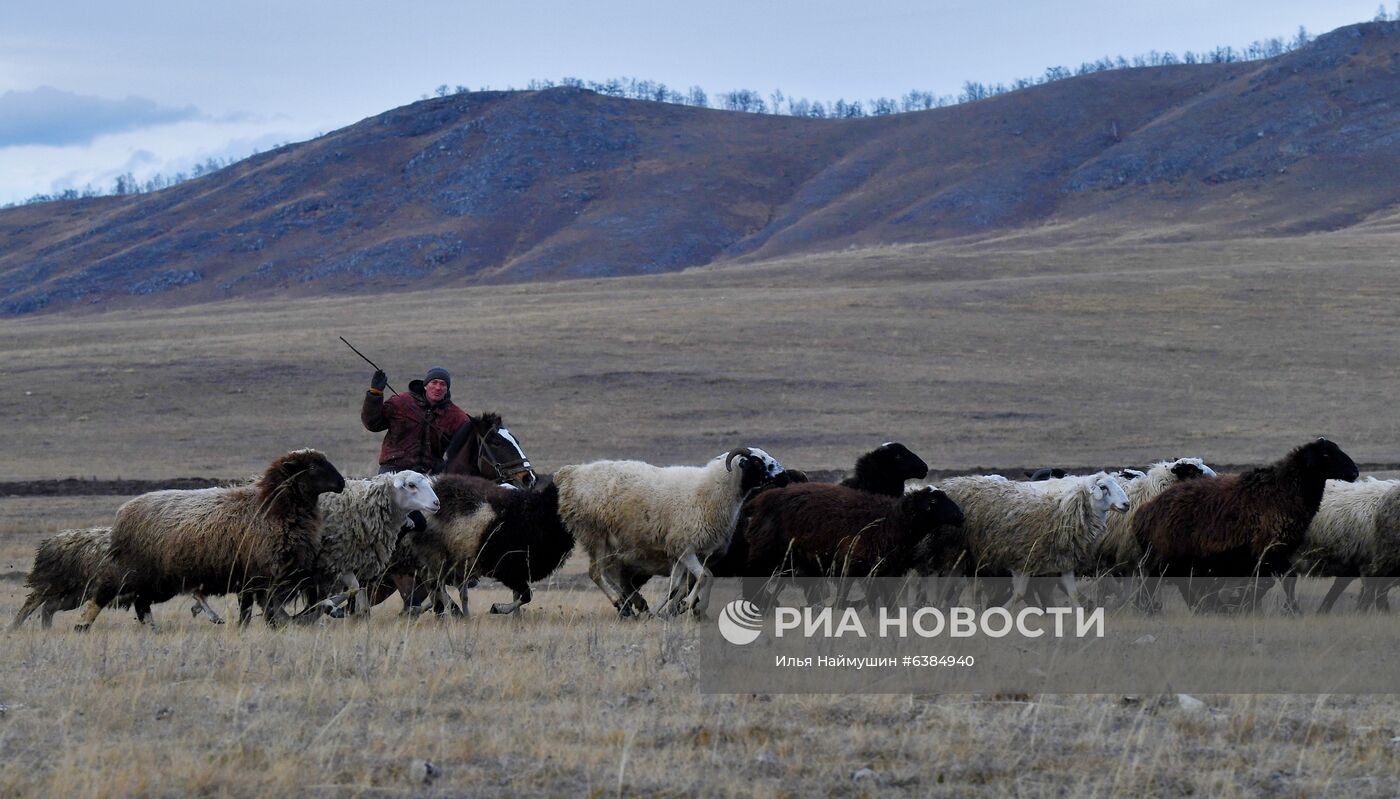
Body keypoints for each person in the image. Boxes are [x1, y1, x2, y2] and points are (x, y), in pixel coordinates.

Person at [361, 366, 472, 475]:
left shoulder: (456, 417)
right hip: (392, 471)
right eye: (434, 382)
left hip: (429, 476)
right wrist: (375, 393)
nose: (438, 387)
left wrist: (442, 468)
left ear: (447, 389)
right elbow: (372, 424)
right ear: (425, 385)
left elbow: (467, 450)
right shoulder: (401, 402)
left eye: (443, 384)